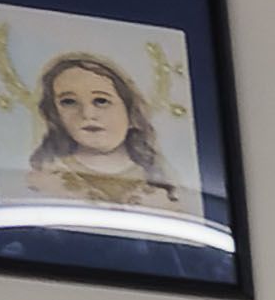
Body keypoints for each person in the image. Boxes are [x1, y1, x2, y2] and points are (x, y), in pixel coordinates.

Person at [22, 50, 176, 207]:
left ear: (130, 111)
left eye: (101, 101)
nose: (87, 114)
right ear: (54, 113)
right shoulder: (46, 181)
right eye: (69, 102)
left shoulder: (157, 184)